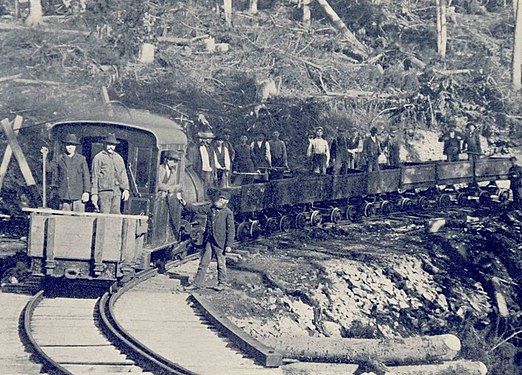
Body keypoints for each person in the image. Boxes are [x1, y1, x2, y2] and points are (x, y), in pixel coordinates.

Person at [183, 190, 235, 291]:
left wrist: (229, 245)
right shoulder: (211, 208)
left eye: (223, 199)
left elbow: (231, 230)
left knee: (221, 264)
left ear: (227, 201)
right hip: (210, 241)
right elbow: (197, 210)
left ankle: (222, 283)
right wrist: (185, 204)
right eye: (220, 198)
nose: (220, 200)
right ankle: (197, 283)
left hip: (220, 243)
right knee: (203, 263)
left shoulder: (228, 213)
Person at [41, 133, 90, 212]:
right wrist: (44, 156)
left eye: (72, 145)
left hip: (78, 196)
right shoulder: (59, 158)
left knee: (80, 219)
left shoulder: (81, 159)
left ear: (75, 146)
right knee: (64, 219)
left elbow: (86, 176)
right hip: (64, 196)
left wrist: (86, 192)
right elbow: (49, 169)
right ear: (65, 146)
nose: (70, 147)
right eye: (68, 145)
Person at [91, 133, 130, 214]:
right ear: (104, 144)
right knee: (104, 217)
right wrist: (94, 194)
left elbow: (123, 173)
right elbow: (95, 176)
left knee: (115, 216)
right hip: (104, 192)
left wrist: (126, 189)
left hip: (117, 192)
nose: (111, 147)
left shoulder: (119, 158)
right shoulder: (98, 158)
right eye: (109, 144)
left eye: (113, 145)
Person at [158, 151, 183, 237]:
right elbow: (158, 184)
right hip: (159, 196)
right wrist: (169, 188)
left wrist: (175, 188)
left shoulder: (173, 172)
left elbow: (174, 185)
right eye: (173, 161)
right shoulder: (160, 169)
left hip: (167, 197)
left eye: (176, 162)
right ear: (167, 160)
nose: (175, 163)